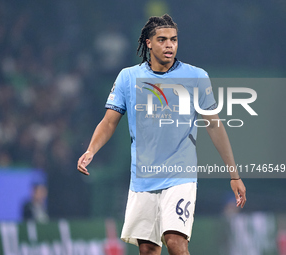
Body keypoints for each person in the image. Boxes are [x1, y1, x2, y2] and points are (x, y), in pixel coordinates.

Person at [77, 14, 246, 255]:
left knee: (176, 242)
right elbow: (109, 122)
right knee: (147, 249)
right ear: (148, 43)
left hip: (180, 174)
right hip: (143, 178)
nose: (169, 45)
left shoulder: (196, 77)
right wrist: (91, 150)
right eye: (162, 39)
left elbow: (214, 125)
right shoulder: (128, 77)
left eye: (174, 40)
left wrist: (234, 174)